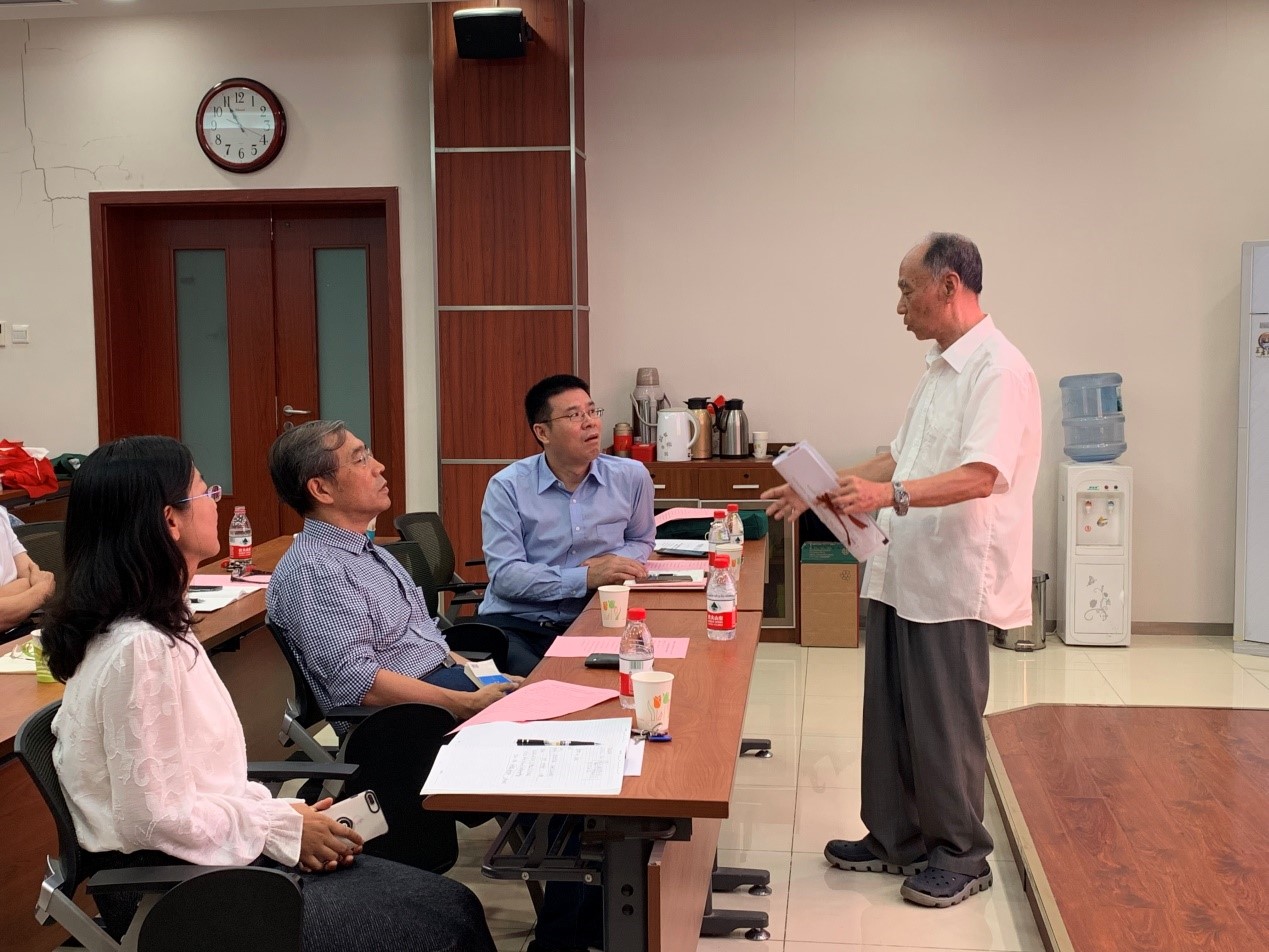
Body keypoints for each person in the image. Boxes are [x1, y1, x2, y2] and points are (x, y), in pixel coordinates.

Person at [43, 436, 497, 952]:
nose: (216, 501)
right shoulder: (139, 649)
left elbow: (195, 790)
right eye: (205, 491)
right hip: (184, 891)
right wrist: (279, 828)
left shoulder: (153, 628)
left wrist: (286, 819)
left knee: (448, 907)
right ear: (171, 521)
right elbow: (155, 818)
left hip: (214, 862)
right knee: (445, 924)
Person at [763, 233, 1041, 908]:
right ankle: (897, 837)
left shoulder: (999, 371)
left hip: (953, 576)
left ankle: (962, 854)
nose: (898, 305)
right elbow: (898, 457)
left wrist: (884, 495)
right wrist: (819, 487)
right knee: (889, 712)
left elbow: (981, 475)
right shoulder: (939, 368)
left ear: (948, 285)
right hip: (901, 565)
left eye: (905, 289)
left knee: (943, 722)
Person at [267, 421, 518, 722]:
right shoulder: (315, 570)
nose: (379, 467)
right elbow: (358, 681)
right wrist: (467, 703)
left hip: (443, 688)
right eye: (360, 460)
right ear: (321, 489)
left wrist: (496, 680)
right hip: (408, 720)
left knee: (546, 694)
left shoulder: (369, 552)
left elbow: (431, 646)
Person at [477, 374, 655, 675]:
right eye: (574, 415)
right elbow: (506, 577)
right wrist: (585, 577)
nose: (590, 423)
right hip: (521, 625)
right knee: (540, 689)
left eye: (592, 411)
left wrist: (613, 563)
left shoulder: (631, 476)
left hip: (597, 615)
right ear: (542, 432)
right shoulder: (507, 487)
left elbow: (641, 539)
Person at [0, 503, 54, 638]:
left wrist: (26, 588)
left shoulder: (1, 515)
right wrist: (40, 593)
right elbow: (43, 586)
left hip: (22, 627)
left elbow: (32, 574)